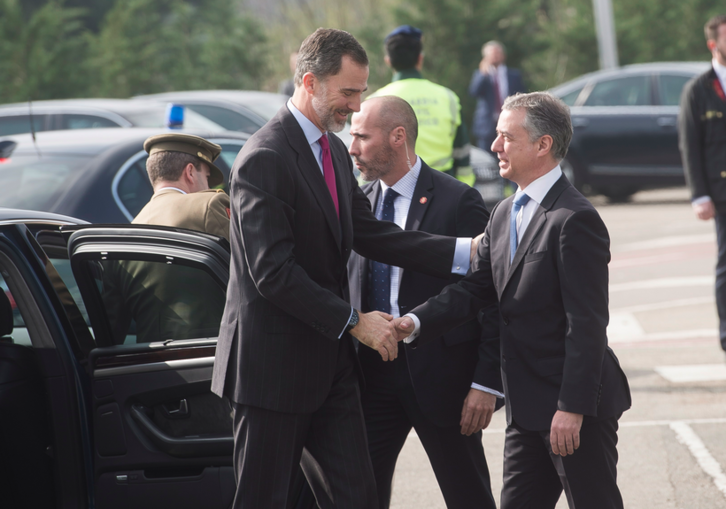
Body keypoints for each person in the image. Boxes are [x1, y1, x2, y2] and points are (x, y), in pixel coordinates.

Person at [211, 28, 474, 509]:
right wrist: (355, 322)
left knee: (359, 498)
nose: (356, 106)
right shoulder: (264, 158)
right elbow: (273, 273)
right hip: (272, 374)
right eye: (348, 92)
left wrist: (466, 253)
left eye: (361, 92)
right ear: (309, 83)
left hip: (331, 371)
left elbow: (372, 234)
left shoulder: (332, 151)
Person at [394, 92, 631, 509]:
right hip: (524, 410)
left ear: (543, 145)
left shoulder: (574, 219)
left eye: (507, 136)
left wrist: (571, 408)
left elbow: (587, 323)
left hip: (572, 408)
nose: (494, 145)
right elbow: (476, 290)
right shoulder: (503, 213)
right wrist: (414, 323)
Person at [347, 95, 501, 509]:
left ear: (398, 137)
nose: (352, 147)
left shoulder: (457, 200)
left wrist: (486, 383)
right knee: (360, 493)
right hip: (371, 377)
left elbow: (487, 295)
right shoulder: (356, 203)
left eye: (362, 136)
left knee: (468, 494)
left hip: (442, 378)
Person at [369, 25, 474, 186]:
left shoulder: (373, 102)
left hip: (393, 191)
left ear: (388, 61)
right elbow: (462, 154)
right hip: (444, 188)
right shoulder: (448, 97)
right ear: (420, 58)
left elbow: (368, 158)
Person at [679, 14, 726, 353]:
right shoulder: (698, 89)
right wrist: (700, 195)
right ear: (714, 44)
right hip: (721, 192)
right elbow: (689, 144)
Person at [133, 133, 230, 240]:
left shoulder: (135, 225)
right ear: (190, 172)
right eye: (206, 177)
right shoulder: (208, 205)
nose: (208, 187)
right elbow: (242, 254)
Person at [469, 41, 526, 156]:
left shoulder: (514, 75)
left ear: (503, 55)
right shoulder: (480, 74)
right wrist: (483, 73)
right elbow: (474, 92)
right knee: (487, 161)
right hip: (487, 126)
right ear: (485, 57)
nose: (495, 56)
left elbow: (522, 97)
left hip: (510, 124)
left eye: (498, 53)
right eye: (492, 54)